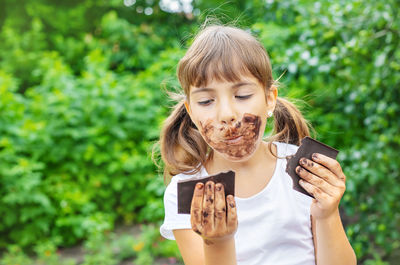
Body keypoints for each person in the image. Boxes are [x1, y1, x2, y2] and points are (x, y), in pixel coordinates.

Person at [158, 24, 356, 265]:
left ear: (269, 99)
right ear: (190, 112)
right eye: (206, 100)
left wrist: (327, 215)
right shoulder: (187, 191)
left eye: (242, 96)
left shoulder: (302, 170)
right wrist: (218, 242)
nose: (227, 114)